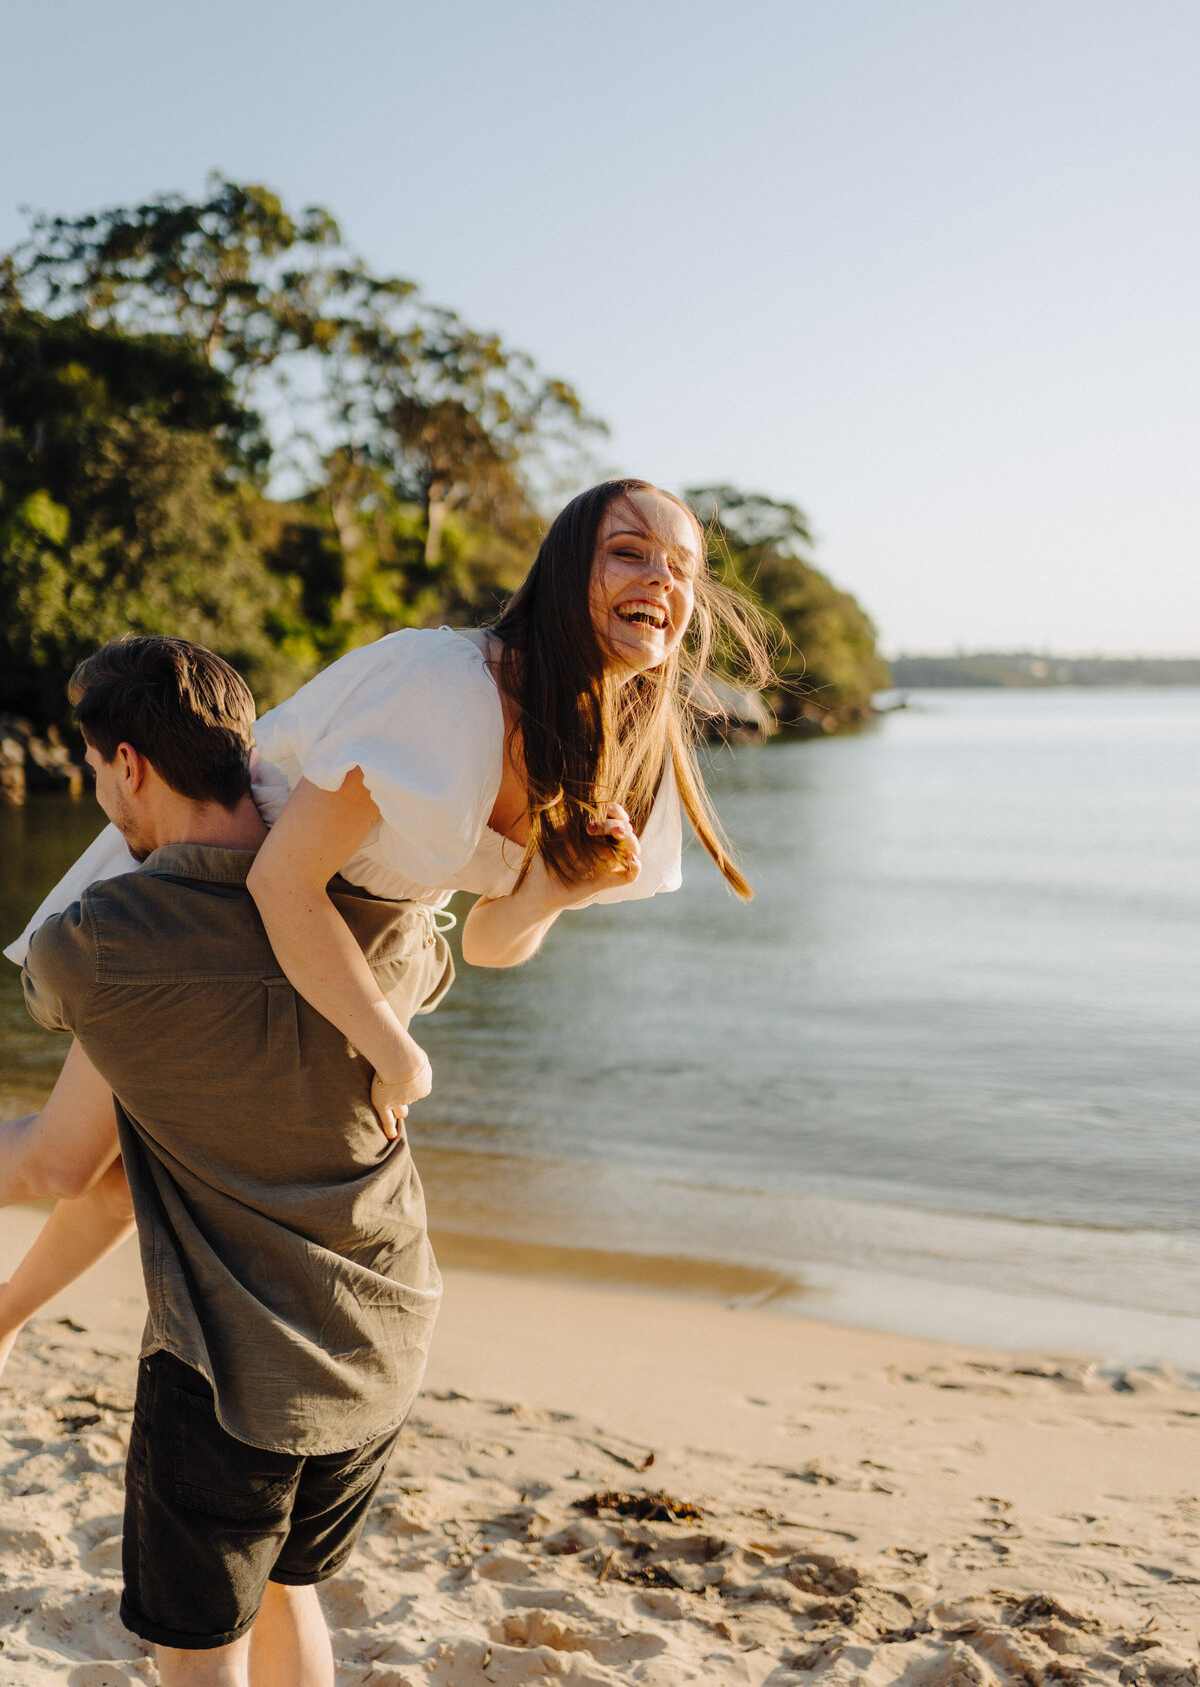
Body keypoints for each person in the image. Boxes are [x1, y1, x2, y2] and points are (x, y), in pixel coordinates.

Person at [0, 479, 768, 1337]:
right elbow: (280, 883)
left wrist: (557, 891)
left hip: (329, 944)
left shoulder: (613, 747)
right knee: (61, 1162)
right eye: (629, 552)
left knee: (126, 1180)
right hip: (219, 890)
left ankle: (0, 1323)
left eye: (683, 569)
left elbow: (488, 941)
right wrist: (396, 1054)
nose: (662, 578)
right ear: (561, 573)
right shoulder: (446, 687)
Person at [19, 633, 452, 1685]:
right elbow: (431, 961)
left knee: (198, 1645)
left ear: (129, 765)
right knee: (288, 1587)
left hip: (231, 1376)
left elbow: (54, 1165)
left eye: (96, 768)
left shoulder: (95, 941)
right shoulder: (374, 909)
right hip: (380, 1341)